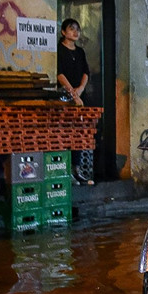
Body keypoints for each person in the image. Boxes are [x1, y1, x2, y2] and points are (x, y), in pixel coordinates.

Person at [56, 18, 94, 185]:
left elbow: (86, 72)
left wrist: (80, 89)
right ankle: (64, 170)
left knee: (78, 132)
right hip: (64, 97)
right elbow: (59, 73)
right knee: (64, 132)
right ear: (63, 32)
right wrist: (72, 92)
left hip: (79, 97)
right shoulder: (59, 50)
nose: (75, 32)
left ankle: (76, 169)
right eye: (71, 28)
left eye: (77, 29)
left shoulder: (80, 52)